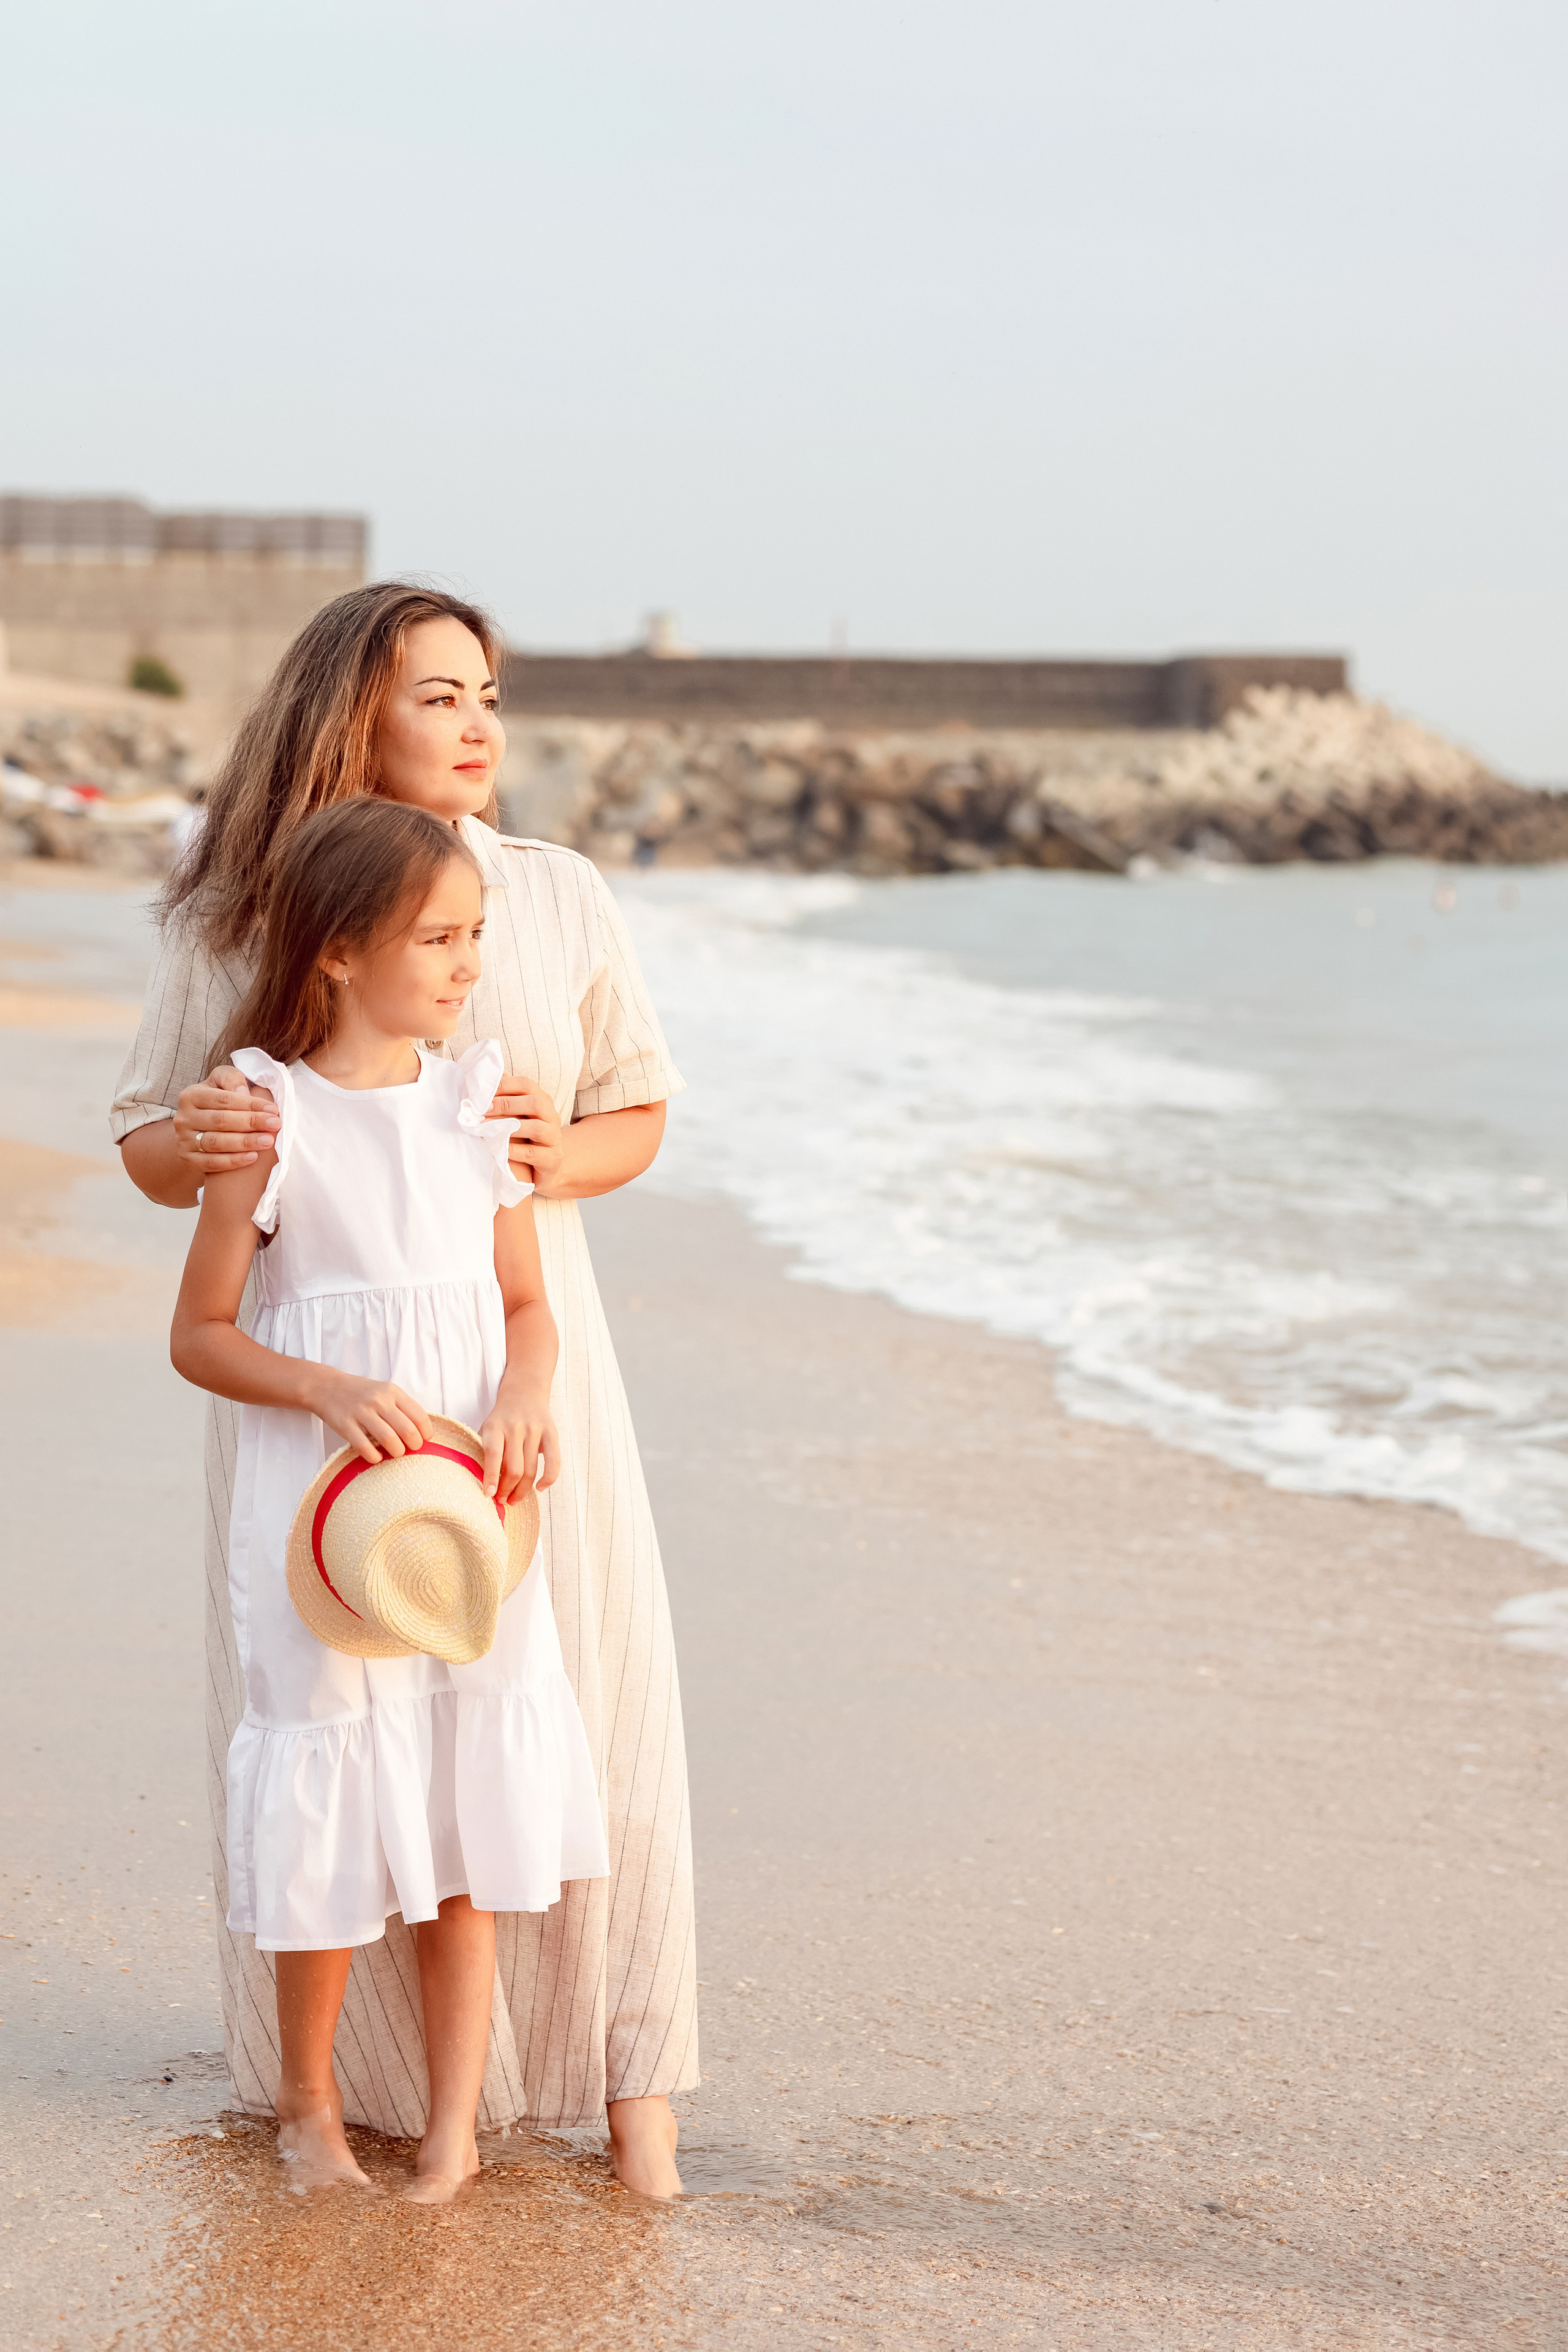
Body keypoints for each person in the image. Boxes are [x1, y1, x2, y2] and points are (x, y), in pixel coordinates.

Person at [113, 584, 693, 2197]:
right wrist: (205, 1146)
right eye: (439, 695)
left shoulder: (560, 895)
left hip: (525, 1361)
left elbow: (635, 1117)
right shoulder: (252, 905)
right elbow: (158, 1143)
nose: (480, 722)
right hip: (327, 1393)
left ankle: (633, 2077)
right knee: (343, 1739)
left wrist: (536, 1160)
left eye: (490, 692)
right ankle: (340, 2099)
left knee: (581, 1730)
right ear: (347, 716)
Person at [170, 796, 608, 2199]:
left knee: (466, 1788)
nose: (468, 962)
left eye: (474, 933)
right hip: (320, 1507)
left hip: (462, 1504)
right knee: (329, 1772)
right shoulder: (265, 1114)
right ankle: (306, 2107)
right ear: (339, 954)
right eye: (437, 937)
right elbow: (201, 1335)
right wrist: (323, 1390)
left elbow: (527, 1305)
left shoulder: (478, 1104)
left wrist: (528, 1394)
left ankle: (451, 2130)